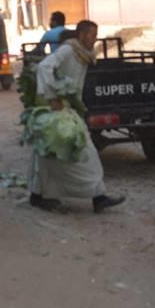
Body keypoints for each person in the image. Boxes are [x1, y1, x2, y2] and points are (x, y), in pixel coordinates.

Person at [29, 21, 126, 214]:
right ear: (81, 35)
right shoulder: (68, 50)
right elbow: (43, 67)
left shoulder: (84, 54)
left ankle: (38, 195)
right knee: (83, 152)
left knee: (47, 155)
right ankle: (98, 197)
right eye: (92, 35)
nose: (94, 39)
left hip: (70, 111)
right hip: (60, 112)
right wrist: (52, 98)